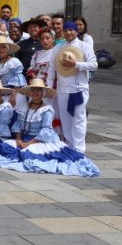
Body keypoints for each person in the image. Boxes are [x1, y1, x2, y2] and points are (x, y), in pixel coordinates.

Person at [0, 79, 99, 176]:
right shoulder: (24, 107)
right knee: (4, 146)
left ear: (43, 93)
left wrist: (29, 143)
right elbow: (18, 125)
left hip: (41, 141)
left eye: (38, 90)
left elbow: (46, 130)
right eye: (33, 90)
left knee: (29, 154)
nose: (35, 92)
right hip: (25, 138)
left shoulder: (47, 110)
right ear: (29, 92)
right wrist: (19, 139)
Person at [46, 21, 97, 153]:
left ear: (76, 31)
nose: (68, 32)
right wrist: (49, 86)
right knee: (65, 118)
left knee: (78, 118)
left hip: (78, 88)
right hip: (62, 89)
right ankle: (69, 145)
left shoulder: (85, 46)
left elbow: (93, 64)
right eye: (66, 30)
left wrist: (76, 64)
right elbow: (52, 67)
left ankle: (79, 149)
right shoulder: (58, 47)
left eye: (71, 30)